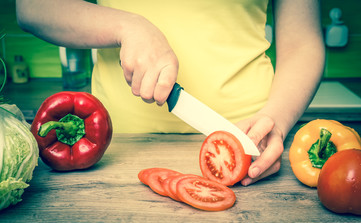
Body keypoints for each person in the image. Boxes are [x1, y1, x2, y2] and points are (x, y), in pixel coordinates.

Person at [15, 0, 325, 186]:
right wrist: (127, 25)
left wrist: (276, 120)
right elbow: (33, 7)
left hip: (250, 142)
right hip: (112, 151)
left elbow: (303, 43)